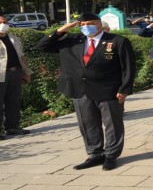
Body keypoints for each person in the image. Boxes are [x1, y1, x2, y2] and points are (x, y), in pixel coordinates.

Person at [35, 13, 136, 171]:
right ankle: (95, 154)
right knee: (88, 124)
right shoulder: (72, 40)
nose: (85, 27)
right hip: (80, 90)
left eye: (89, 23)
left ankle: (111, 155)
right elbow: (42, 46)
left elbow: (128, 67)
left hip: (109, 90)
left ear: (100, 24)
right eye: (82, 24)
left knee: (112, 124)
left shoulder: (117, 41)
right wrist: (61, 30)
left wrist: (124, 89)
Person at [0, 16, 33, 139]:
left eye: (5, 22)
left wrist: (27, 72)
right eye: (0, 22)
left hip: (15, 72)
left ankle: (12, 127)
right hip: (1, 74)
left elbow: (22, 57)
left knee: (13, 101)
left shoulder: (14, 38)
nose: (3, 24)